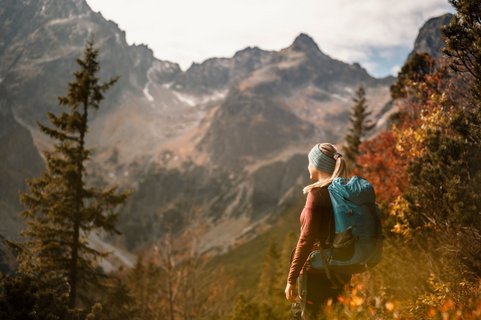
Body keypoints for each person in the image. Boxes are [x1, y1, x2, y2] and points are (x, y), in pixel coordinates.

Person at [285, 142, 351, 319]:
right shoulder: (343, 191)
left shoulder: (317, 195)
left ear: (318, 164)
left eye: (309, 161)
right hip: (342, 269)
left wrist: (291, 279)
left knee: (305, 315)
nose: (308, 166)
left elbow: (306, 239)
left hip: (318, 273)